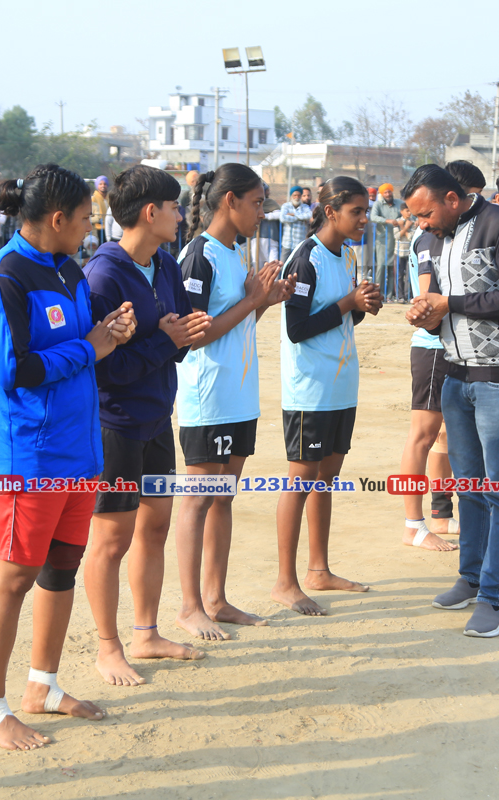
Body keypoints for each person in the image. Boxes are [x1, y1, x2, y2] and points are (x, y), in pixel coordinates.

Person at [0, 163, 137, 750]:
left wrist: (111, 331)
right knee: (15, 576)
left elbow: (84, 346)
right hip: (29, 457)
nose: (93, 226)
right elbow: (14, 370)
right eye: (88, 217)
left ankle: (42, 686)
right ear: (58, 218)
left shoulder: (69, 270)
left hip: (79, 452)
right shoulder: (2, 276)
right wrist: (89, 346)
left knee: (61, 569)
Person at [81, 166, 212, 685]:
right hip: (115, 426)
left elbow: (175, 337)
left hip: (158, 418)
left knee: (154, 527)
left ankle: (146, 633)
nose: (181, 216)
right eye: (175, 207)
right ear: (150, 212)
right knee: (112, 540)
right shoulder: (103, 276)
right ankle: (108, 647)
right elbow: (104, 368)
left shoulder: (165, 264)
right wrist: (165, 339)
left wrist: (179, 335)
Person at [405, 164, 499, 638]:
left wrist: (451, 304)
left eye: (425, 214)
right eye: (416, 217)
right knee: (469, 488)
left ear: (452, 198)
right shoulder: (435, 238)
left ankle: (494, 599)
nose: (421, 224)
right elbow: (440, 301)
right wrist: (426, 312)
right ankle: (470, 578)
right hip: (454, 375)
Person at [175, 163, 295, 640]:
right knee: (197, 500)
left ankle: (216, 599)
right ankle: (189, 607)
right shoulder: (198, 255)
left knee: (223, 498)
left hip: (239, 395)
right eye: (257, 203)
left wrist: (265, 300)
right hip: (208, 397)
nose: (262, 212)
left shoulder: (235, 252)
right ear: (230, 201)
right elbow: (195, 335)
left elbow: (238, 325)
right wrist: (251, 300)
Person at [274, 177, 382, 615]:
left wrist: (361, 306)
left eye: (366, 211)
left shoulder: (347, 255)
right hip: (310, 391)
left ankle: (318, 569)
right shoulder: (306, 259)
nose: (364, 219)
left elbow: (340, 319)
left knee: (326, 479)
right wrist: (347, 303)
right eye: (357, 211)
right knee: (300, 481)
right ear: (331, 211)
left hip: (340, 386)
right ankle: (285, 582)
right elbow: (297, 328)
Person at [399, 220, 460, 552]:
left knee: (443, 435)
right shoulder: (429, 237)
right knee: (422, 436)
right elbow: (426, 299)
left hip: (450, 346)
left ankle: (440, 514)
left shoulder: (445, 234)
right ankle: (413, 525)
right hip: (434, 347)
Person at [369, 183, 403, 297]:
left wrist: (399, 221)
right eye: (386, 192)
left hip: (396, 239)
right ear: (382, 194)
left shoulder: (399, 203)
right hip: (382, 241)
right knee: (381, 267)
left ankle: (389, 295)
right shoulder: (378, 204)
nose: (388, 194)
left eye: (389, 192)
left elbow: (406, 214)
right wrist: (387, 221)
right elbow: (373, 217)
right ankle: (379, 293)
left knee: (393, 268)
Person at [280, 185, 312, 259]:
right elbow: (282, 218)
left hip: (299, 242)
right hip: (287, 243)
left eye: (298, 195)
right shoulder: (286, 206)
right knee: (283, 264)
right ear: (291, 196)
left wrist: (293, 215)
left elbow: (308, 216)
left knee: (298, 263)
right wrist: (300, 217)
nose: (296, 197)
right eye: (294, 195)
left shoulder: (305, 207)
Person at [394, 204, 415, 303]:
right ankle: (400, 296)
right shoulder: (397, 222)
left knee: (409, 275)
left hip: (409, 252)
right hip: (398, 252)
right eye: (407, 211)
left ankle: (408, 295)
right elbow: (397, 236)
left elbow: (411, 237)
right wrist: (405, 227)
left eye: (410, 211)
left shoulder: (413, 222)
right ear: (401, 211)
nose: (409, 213)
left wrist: (403, 227)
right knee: (399, 275)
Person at [91, 174, 110, 244]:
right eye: (100, 184)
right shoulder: (93, 198)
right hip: (98, 228)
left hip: (109, 227)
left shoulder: (111, 197)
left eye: (105, 184)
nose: (103, 186)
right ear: (97, 185)